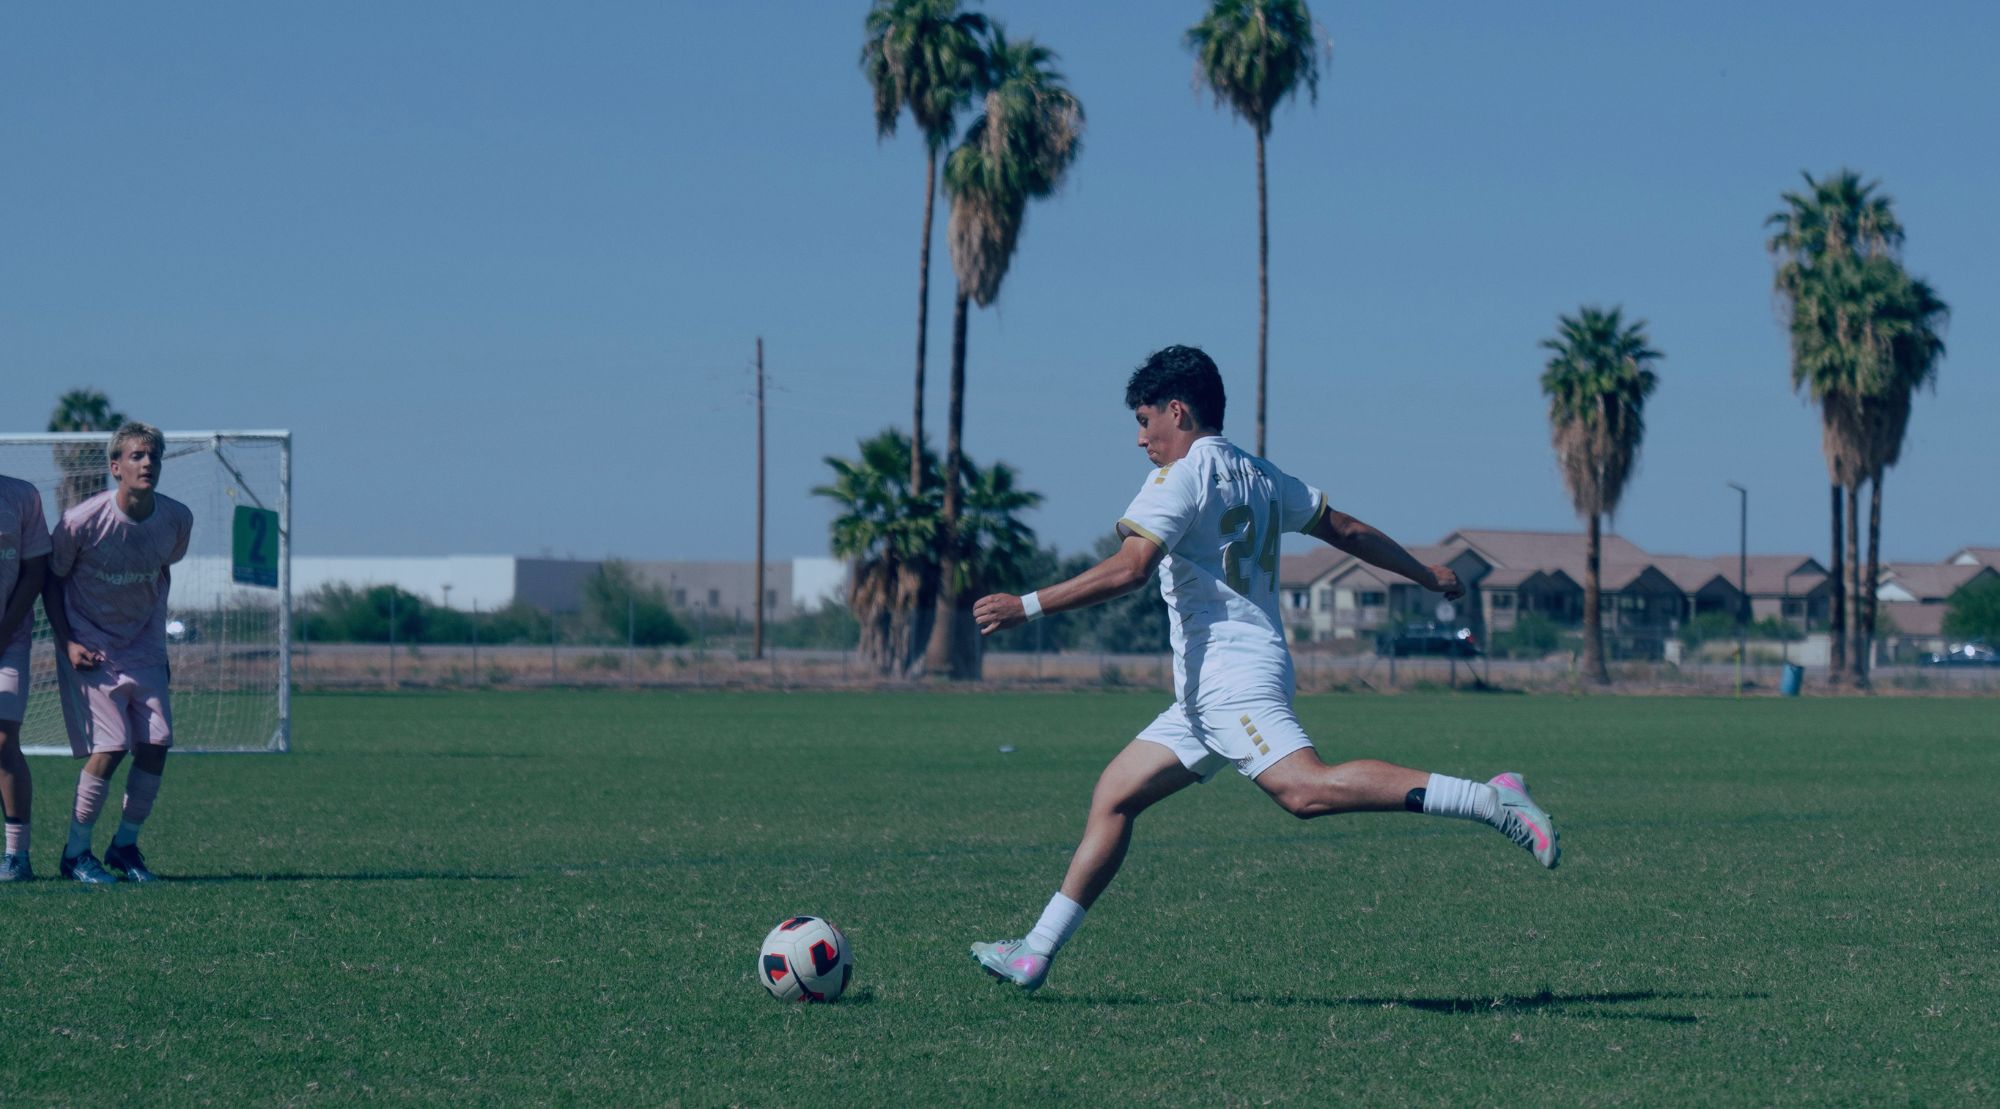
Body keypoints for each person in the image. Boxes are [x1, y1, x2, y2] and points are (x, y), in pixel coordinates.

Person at [968, 346, 1559, 991]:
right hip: (1209, 690)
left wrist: (1027, 605)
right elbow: (1348, 529)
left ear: (1177, 411)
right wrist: (1424, 573)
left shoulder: (1181, 476)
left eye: (1145, 422)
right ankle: (1035, 951)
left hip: (1232, 681)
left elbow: (1130, 569)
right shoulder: (1258, 472)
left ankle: (1489, 798)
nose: (1141, 440)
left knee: (1304, 791)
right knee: (1114, 797)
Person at [43, 421, 193, 884]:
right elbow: (52, 580)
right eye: (136, 456)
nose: (147, 463)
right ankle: (75, 853)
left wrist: (157, 645)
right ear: (115, 467)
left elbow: (161, 574)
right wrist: (68, 641)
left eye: (154, 457)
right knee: (110, 747)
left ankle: (124, 846)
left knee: (156, 744)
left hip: (144, 645)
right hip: (92, 645)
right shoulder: (80, 521)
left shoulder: (176, 518)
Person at [0, 471, 52, 882]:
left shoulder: (22, 496)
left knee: (3, 738)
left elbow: (36, 570)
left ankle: (17, 856)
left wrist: (3, 631)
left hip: (9, 639)